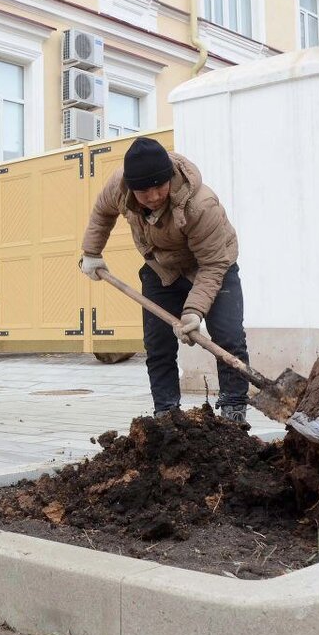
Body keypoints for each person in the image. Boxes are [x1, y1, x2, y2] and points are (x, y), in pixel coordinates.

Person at [80, 137, 251, 422]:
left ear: (170, 177)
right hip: (162, 269)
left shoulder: (201, 204)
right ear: (131, 187)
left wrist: (194, 310)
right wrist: (91, 252)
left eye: (159, 186)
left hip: (212, 265)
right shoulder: (119, 188)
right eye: (143, 191)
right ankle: (166, 414)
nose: (153, 196)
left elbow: (212, 263)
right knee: (158, 345)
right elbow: (102, 213)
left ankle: (234, 408)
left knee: (229, 338)